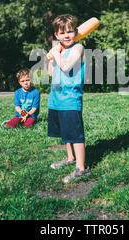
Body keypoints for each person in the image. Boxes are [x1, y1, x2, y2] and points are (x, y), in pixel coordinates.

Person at [47, 14, 90, 183]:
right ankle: (70, 158)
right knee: (65, 132)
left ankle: (81, 168)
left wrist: (56, 55)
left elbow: (66, 67)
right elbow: (52, 73)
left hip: (71, 98)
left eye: (70, 32)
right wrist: (50, 59)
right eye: (62, 33)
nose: (67, 36)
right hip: (56, 98)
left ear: (75, 32)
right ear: (56, 35)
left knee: (75, 134)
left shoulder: (77, 48)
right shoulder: (60, 50)